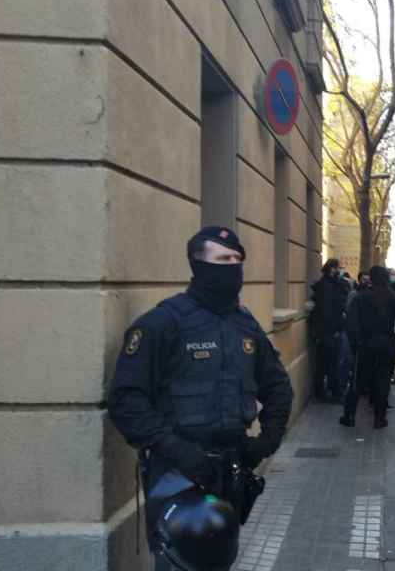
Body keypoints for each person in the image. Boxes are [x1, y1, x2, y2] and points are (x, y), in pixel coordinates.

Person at [108, 226, 294, 571]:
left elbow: (278, 388)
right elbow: (126, 401)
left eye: (238, 259)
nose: (233, 266)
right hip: (176, 471)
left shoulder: (245, 326)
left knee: (219, 557)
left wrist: (266, 441)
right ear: (198, 264)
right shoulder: (163, 323)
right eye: (223, 259)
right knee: (182, 560)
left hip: (229, 471)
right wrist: (179, 451)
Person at [341, 266, 395, 429]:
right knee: (383, 381)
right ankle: (380, 418)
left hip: (365, 344)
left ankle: (349, 416)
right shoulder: (394, 298)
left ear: (371, 278)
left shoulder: (361, 297)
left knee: (358, 381)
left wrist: (355, 343)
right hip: (387, 344)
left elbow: (351, 323)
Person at [311, 259, 349, 401]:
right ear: (332, 269)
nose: (340, 271)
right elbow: (328, 311)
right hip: (327, 331)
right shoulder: (327, 286)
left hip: (327, 330)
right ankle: (331, 392)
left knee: (327, 363)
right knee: (328, 363)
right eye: (338, 268)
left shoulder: (330, 284)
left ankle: (328, 391)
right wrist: (334, 328)